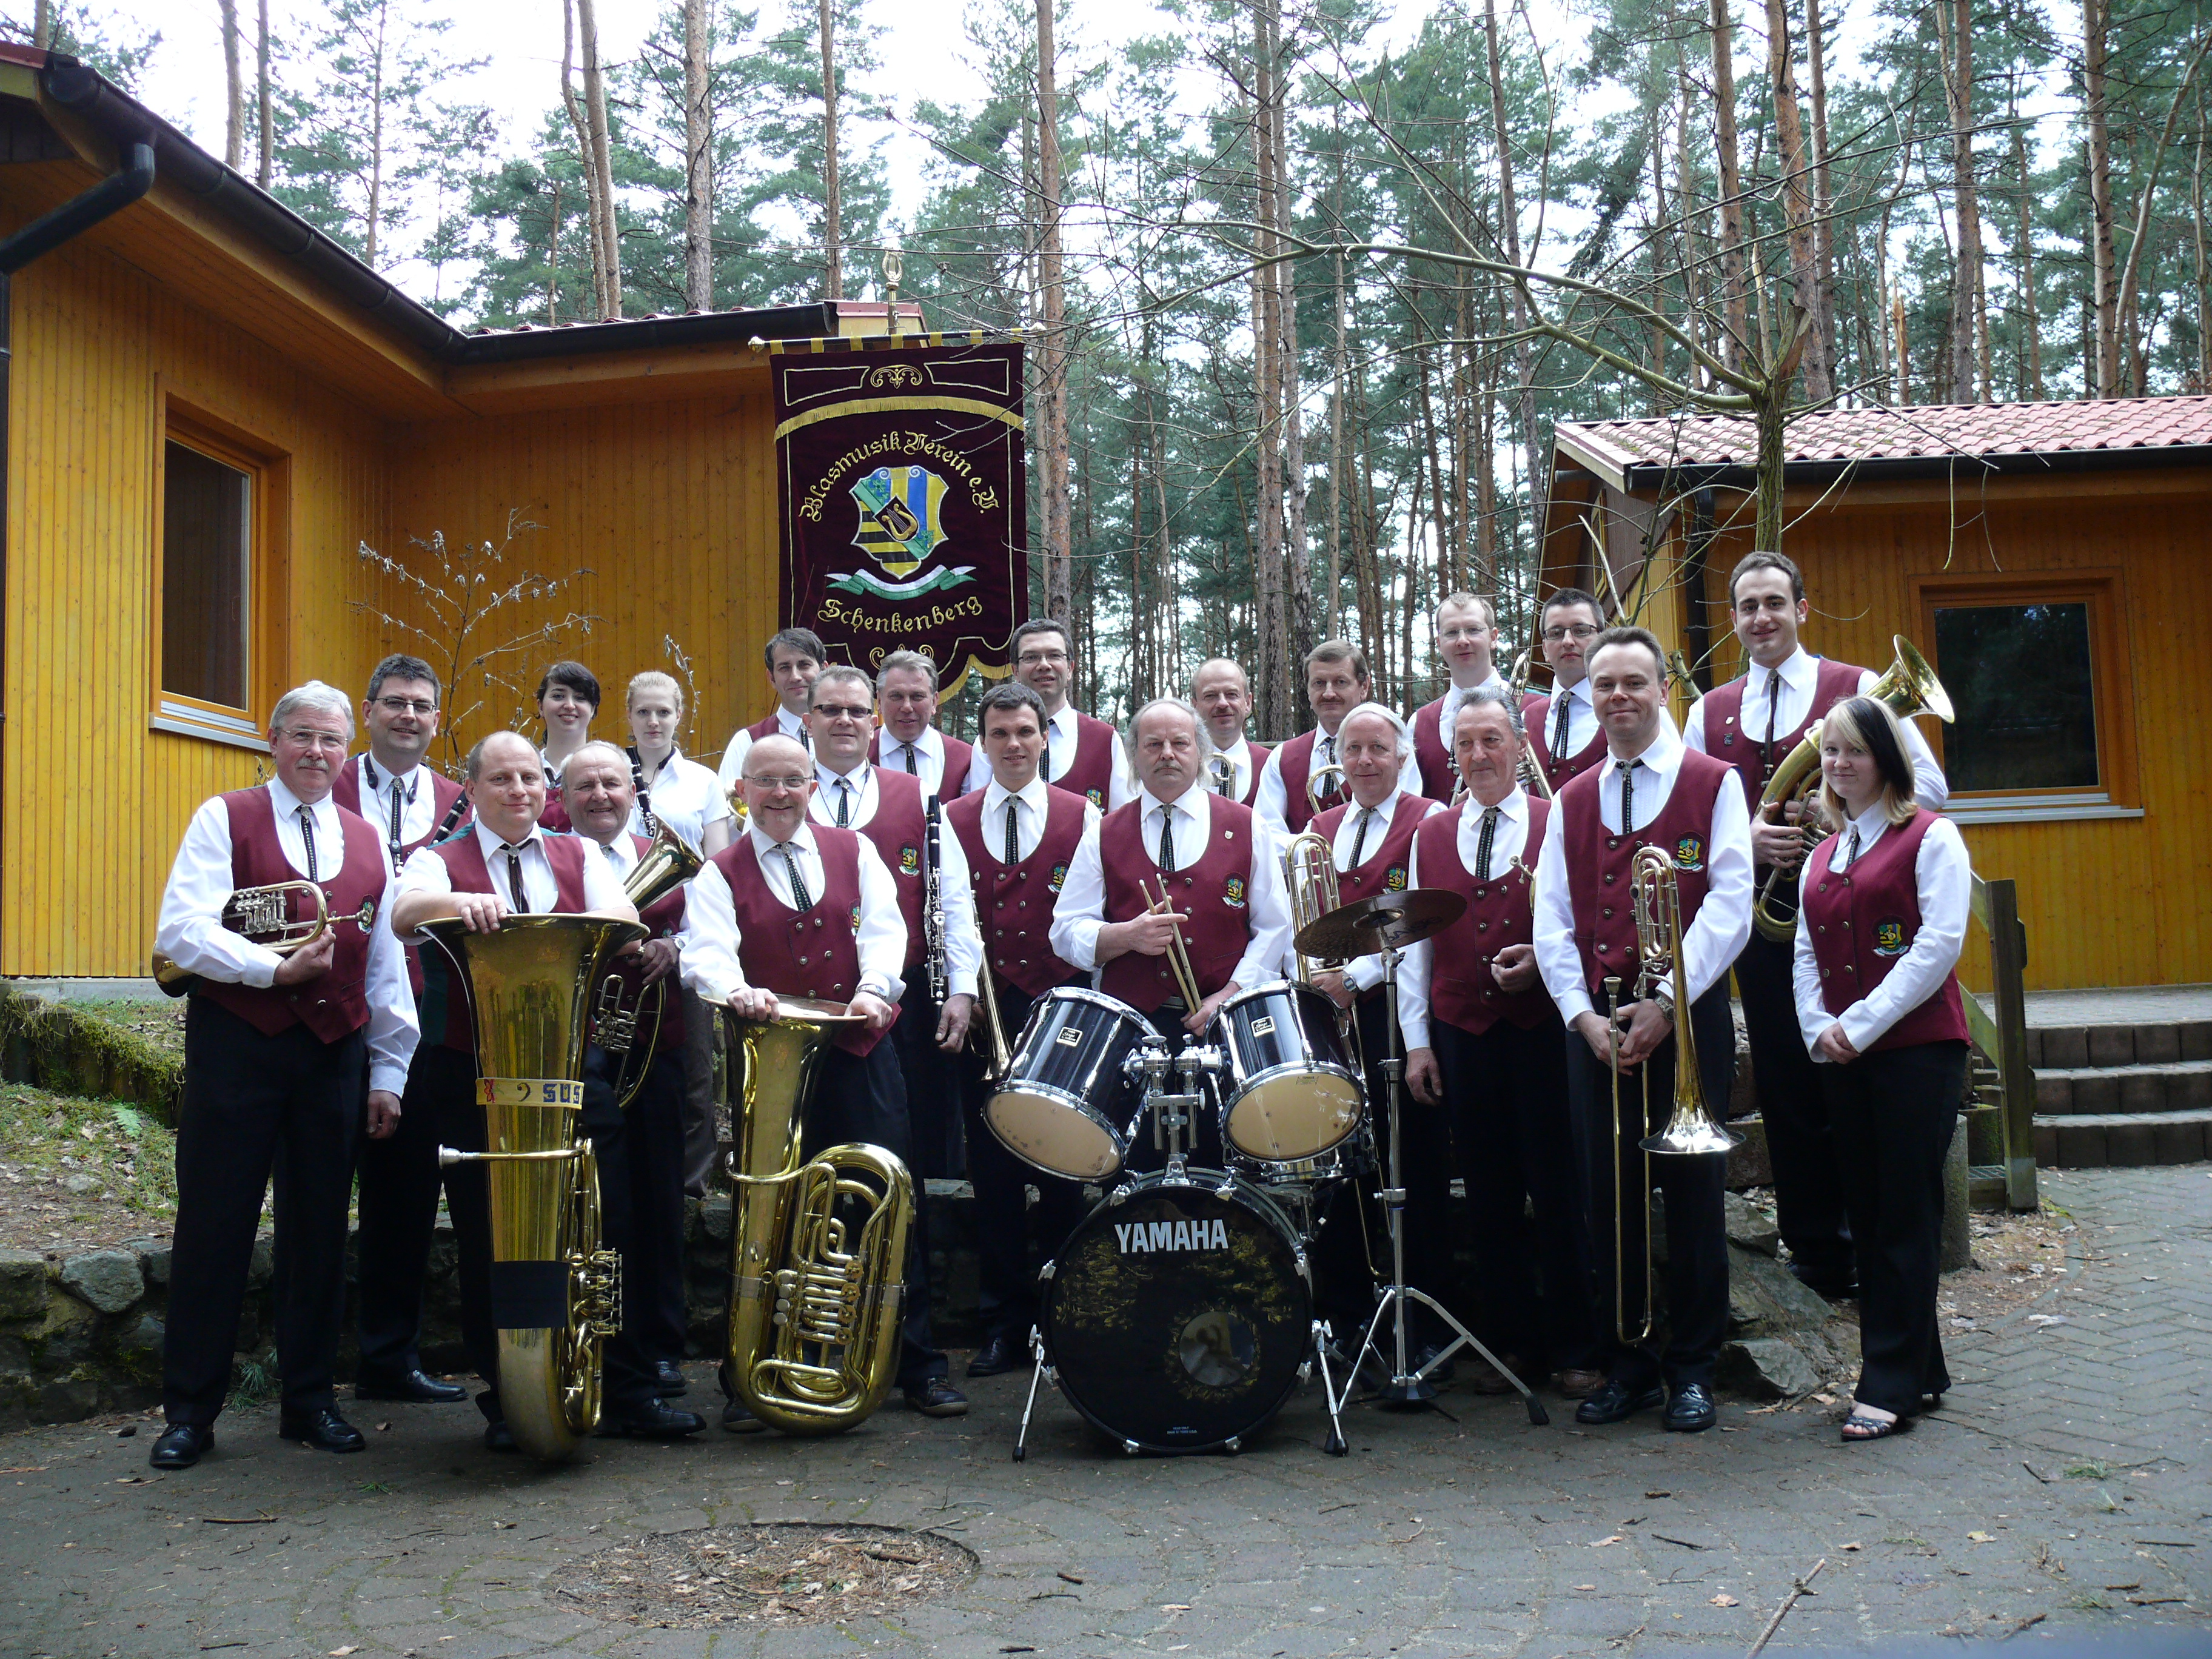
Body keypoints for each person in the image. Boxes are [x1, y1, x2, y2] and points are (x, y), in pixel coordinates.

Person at [149, 682, 418, 1469]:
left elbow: (388, 970)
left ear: (346, 752)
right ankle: (191, 1414)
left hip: (335, 1056)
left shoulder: (371, 844)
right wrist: (268, 972)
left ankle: (309, 1402)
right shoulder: (223, 817)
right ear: (272, 742)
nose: (317, 753)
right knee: (213, 1228)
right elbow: (181, 929)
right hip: (238, 1046)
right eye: (302, 737)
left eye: (331, 742)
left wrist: (389, 1073)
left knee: (320, 1235)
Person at [679, 735, 968, 1421]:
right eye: (765, 782)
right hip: (773, 1063)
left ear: (812, 786)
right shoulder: (719, 872)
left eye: (793, 781)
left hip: (861, 1053)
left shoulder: (854, 850)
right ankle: (751, 1373)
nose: (780, 794)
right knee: (771, 1215)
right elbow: (706, 957)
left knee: (888, 1206)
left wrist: (875, 989)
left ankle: (917, 1364)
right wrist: (736, 991)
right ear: (741, 790)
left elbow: (885, 931)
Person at [1684, 550, 1947, 1302]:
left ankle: (1873, 1251)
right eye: (1747, 606)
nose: (1761, 617)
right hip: (1766, 930)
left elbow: (1930, 787)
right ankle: (1815, 1252)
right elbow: (1698, 813)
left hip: (1853, 919)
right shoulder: (1710, 710)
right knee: (1787, 1088)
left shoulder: (1859, 687)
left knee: (1856, 1081)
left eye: (1775, 602)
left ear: (1802, 609)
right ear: (1733, 621)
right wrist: (1747, 839)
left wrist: (1832, 809)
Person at [387, 731, 638, 1451]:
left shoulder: (579, 854)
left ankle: (594, 1377)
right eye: (502, 779)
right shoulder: (439, 858)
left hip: (566, 1065)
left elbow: (624, 921)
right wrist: (458, 900)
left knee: (597, 1224)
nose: (520, 790)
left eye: (531, 778)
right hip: (473, 1068)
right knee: (488, 1232)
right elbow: (405, 916)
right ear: (474, 789)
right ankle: (508, 1398)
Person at [1533, 627, 1751, 1434]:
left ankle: (1693, 1369)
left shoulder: (1713, 780)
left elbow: (1730, 898)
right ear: (1590, 698)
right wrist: (1580, 1016)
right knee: (1607, 1199)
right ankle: (1627, 1364)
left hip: (1683, 1022)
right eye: (1605, 685)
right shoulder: (1572, 798)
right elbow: (1551, 919)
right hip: (1598, 1026)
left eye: (1634, 682)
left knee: (1694, 1202)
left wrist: (1668, 1000)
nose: (1619, 697)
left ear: (1664, 690)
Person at [1403, 689, 1604, 1401]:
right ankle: (1512, 1344)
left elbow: (1585, 924)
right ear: (1452, 756)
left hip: (1542, 1032)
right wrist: (1417, 1042)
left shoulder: (1557, 821)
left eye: (1493, 740)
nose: (1479, 755)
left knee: (1559, 1188)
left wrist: (1542, 959)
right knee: (1487, 1196)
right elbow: (1414, 946)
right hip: (1462, 1031)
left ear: (1521, 747)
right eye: (1466, 744)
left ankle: (1578, 1345)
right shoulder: (1430, 833)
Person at [1792, 698, 1972, 1443]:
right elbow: (1804, 954)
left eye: (1855, 752)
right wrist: (1816, 1030)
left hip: (1916, 1054)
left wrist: (1858, 1026)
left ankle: (1888, 1383)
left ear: (1888, 761)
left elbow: (1938, 946)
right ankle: (1920, 1370)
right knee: (1867, 1214)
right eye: (1831, 752)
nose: (1838, 765)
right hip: (1843, 1054)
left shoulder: (1933, 838)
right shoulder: (1823, 854)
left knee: (1904, 1213)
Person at [1051, 697, 1293, 1169]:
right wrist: (1126, 937)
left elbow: (1274, 928)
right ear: (1135, 756)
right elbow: (1065, 931)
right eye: (1153, 744)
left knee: (1223, 1167)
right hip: (1133, 1036)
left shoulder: (1246, 826)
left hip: (1222, 1031)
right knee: (1138, 1169)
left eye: (1180, 743)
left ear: (1199, 752)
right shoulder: (1102, 832)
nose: (1167, 753)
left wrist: (1231, 995)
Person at [942, 682, 1101, 1378]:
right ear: (983, 741)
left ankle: (1064, 1316)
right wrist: (963, 991)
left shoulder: (1083, 814)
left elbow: (1094, 909)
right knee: (995, 1174)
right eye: (1000, 733)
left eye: (1025, 733)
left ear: (1044, 739)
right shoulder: (952, 816)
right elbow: (950, 913)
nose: (1013, 744)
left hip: (1060, 1005)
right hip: (985, 1010)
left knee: (1064, 1165)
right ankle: (1003, 1322)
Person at [558, 740, 708, 1432]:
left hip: (655, 1050)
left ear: (633, 792)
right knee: (598, 1210)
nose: (600, 796)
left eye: (612, 784)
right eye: (585, 785)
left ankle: (659, 1349)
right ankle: (595, 1355)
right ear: (565, 797)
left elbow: (708, 937)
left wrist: (672, 948)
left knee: (658, 1199)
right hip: (571, 1059)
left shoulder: (668, 861)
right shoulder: (552, 860)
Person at [333, 655, 471, 1408]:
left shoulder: (460, 799)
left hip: (425, 1018)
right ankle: (308, 1367)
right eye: (394, 703)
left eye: (422, 705)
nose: (408, 716)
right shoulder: (332, 786)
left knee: (407, 1192)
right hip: (327, 1010)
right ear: (369, 708)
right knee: (318, 1191)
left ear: (436, 717)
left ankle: (389, 1358)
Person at [1297, 702, 1441, 1359]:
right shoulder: (1321, 829)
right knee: (1341, 1167)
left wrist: (1353, 979)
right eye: (1352, 749)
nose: (1364, 761)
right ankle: (1351, 1315)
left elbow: (1423, 929)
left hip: (1392, 1014)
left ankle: (1421, 1322)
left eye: (1378, 748)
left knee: (1410, 1170)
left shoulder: (1428, 821)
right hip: (1330, 1023)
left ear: (1403, 755)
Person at [624, 670, 737, 1196]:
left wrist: (684, 942)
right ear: (629, 715)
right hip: (617, 942)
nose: (653, 721)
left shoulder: (702, 782)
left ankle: (688, 1189)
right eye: (643, 711)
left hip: (685, 940)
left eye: (663, 712)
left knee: (694, 1073)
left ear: (679, 715)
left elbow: (717, 867)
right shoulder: (611, 772)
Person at [961, 618, 1136, 809]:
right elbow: (978, 812)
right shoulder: (992, 740)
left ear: (1070, 668)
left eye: (1054, 655)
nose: (1044, 665)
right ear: (1015, 671)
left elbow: (1122, 821)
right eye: (1031, 657)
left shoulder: (1105, 740)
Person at [1254, 640, 1418, 838]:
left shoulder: (1396, 749)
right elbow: (1265, 833)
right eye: (1319, 683)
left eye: (1340, 682)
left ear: (1364, 686)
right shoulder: (1282, 757)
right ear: (1308, 689)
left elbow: (1406, 822)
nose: (1329, 693)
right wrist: (1316, 853)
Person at [1409, 593, 1506, 802]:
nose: (1462, 640)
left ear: (1494, 637)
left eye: (1473, 630)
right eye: (1452, 633)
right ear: (1439, 642)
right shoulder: (1418, 724)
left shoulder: (1531, 708)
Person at [1521, 589, 1611, 793]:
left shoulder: (1630, 707)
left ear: (1602, 639)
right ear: (1544, 648)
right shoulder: (1525, 720)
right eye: (1556, 633)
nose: (1568, 641)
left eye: (1580, 630)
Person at [716, 627, 826, 793]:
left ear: (824, 670)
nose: (795, 676)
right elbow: (730, 810)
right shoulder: (747, 742)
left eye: (804, 665)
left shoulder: (845, 735)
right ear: (772, 678)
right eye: (785, 668)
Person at [870, 649, 976, 801]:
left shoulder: (965, 760)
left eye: (917, 696)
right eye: (896, 696)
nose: (907, 707)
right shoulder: (860, 756)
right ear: (879, 702)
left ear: (934, 701)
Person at [1190, 658, 1271, 803]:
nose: (1222, 703)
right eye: (1211, 696)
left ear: (1248, 702)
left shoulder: (1273, 765)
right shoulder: (1178, 765)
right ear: (1194, 705)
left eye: (1232, 694)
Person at [535, 660, 601, 831]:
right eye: (558, 696)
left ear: (593, 709)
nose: (570, 705)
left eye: (580, 698)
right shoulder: (521, 771)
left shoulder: (612, 772)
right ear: (540, 706)